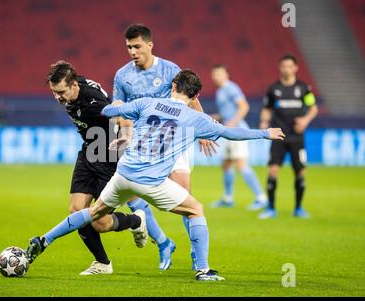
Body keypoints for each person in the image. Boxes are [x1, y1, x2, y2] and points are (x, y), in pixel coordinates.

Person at [25, 69, 285, 281]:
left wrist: (119, 121)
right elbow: (231, 133)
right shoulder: (196, 119)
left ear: (172, 87)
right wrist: (265, 133)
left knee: (92, 214)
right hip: (151, 182)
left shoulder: (148, 102)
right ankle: (203, 270)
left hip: (123, 174)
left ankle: (44, 239)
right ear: (196, 94)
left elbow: (109, 111)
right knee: (195, 209)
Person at [112, 24, 217, 270]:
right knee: (132, 196)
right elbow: (120, 108)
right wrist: (126, 134)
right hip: (140, 144)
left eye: (137, 46)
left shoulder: (171, 70)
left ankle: (196, 250)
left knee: (184, 199)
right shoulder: (122, 75)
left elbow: (192, 99)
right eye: (128, 47)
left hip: (172, 141)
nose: (132, 51)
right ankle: (163, 243)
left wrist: (204, 130)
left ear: (150, 45)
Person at [43, 60, 148, 275]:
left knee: (98, 223)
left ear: (73, 85)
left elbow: (121, 112)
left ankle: (136, 220)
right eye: (54, 92)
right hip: (89, 152)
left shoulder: (94, 103)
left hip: (109, 158)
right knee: (76, 211)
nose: (57, 97)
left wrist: (126, 136)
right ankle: (102, 263)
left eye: (61, 92)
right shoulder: (75, 85)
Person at [259, 54, 318, 219]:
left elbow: (313, 108)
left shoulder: (304, 88)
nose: (286, 69)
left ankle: (298, 208)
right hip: (278, 136)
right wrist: (264, 121)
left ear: (295, 68)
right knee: (273, 170)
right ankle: (271, 208)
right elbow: (267, 108)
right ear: (280, 68)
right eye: (283, 66)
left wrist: (305, 120)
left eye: (289, 66)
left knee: (300, 172)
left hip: (297, 137)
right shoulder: (273, 89)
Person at [209, 64, 267, 210]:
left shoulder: (230, 88)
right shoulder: (220, 91)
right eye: (214, 74)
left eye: (219, 74)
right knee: (226, 164)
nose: (216, 77)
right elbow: (226, 113)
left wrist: (232, 123)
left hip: (237, 130)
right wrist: (213, 118)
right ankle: (228, 198)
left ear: (226, 75)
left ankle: (261, 197)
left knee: (241, 164)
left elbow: (244, 106)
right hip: (229, 131)